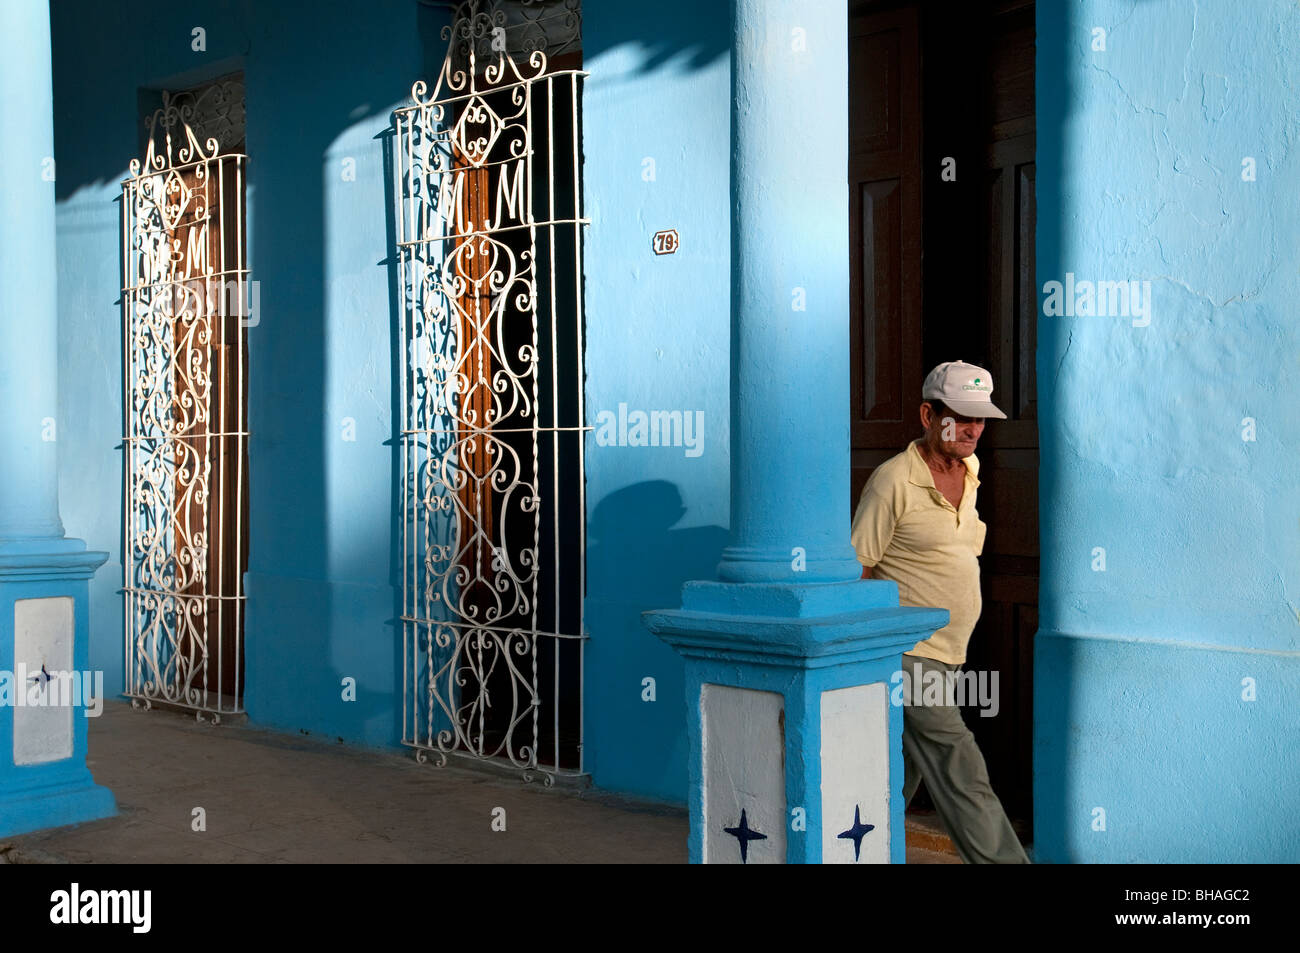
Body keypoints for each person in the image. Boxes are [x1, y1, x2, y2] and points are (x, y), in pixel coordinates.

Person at [850, 360, 1030, 864]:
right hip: (910, 653)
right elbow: (859, 569)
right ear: (929, 415)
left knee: (900, 770)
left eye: (981, 419)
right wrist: (868, 654)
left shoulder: (969, 470)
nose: (974, 429)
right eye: (962, 417)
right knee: (958, 764)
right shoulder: (892, 482)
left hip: (950, 652)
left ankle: (853, 850)